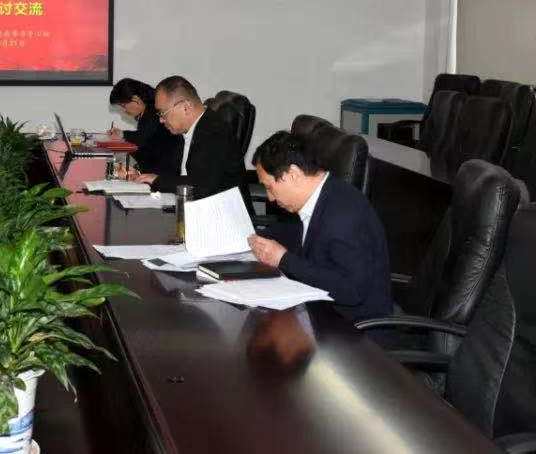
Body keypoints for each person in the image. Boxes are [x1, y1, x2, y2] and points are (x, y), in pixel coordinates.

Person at [247, 131, 392, 322]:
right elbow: (302, 235)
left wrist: (283, 259)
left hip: (356, 328)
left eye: (269, 187)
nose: (270, 197)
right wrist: (258, 236)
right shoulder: (324, 195)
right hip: (324, 313)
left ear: (293, 175)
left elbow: (352, 291)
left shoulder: (343, 215)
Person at [130, 76, 249, 205]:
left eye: (163, 113)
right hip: (196, 206)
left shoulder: (214, 132)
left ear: (186, 107)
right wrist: (140, 175)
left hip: (222, 213)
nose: (161, 120)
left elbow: (201, 186)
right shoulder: (185, 130)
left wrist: (156, 180)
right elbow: (173, 170)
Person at [106, 78, 183, 175]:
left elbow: (142, 138)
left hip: (165, 172)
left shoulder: (153, 111)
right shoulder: (147, 111)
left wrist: (122, 136)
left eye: (123, 106)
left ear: (135, 100)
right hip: (160, 168)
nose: (124, 111)